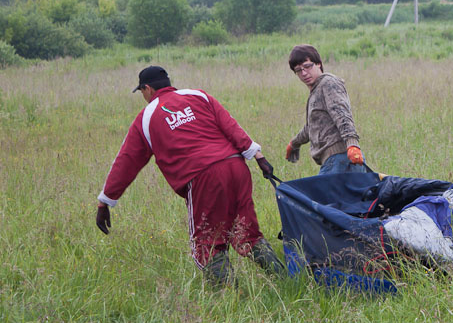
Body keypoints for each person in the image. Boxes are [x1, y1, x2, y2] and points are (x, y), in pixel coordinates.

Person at [95, 65, 286, 287]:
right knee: (247, 232)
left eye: (142, 92)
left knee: (207, 241)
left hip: (203, 176)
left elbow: (127, 161)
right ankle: (284, 280)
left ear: (146, 89)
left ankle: (227, 298)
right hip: (236, 167)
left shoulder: (146, 116)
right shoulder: (198, 95)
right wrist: (258, 156)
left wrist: (105, 201)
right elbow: (230, 125)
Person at [285, 45, 367, 175]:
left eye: (307, 66)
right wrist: (294, 143)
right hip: (334, 161)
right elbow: (312, 127)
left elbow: (342, 114)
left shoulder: (328, 83)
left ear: (318, 64)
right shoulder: (316, 90)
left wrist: (352, 144)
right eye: (298, 70)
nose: (304, 73)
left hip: (340, 160)